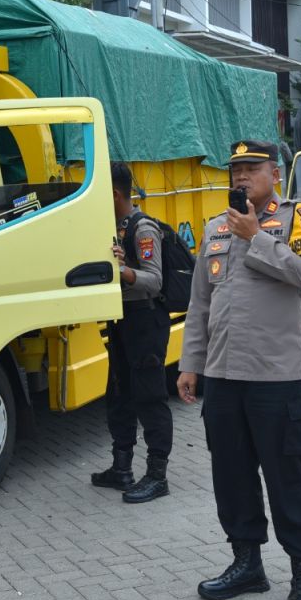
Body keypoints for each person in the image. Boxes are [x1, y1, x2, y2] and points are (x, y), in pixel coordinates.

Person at [176, 140, 301, 600]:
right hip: (223, 376)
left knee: (287, 476)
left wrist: (255, 238)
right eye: (236, 170)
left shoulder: (298, 218)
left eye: (251, 169)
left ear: (274, 175)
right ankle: (247, 564)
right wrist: (190, 363)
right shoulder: (214, 227)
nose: (242, 177)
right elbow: (201, 303)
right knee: (232, 474)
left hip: (275, 377)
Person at [90, 161, 174, 504]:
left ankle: (157, 475)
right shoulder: (115, 227)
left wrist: (122, 269)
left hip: (145, 321)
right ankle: (121, 467)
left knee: (150, 398)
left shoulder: (142, 229)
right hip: (123, 322)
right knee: (119, 396)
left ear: (113, 193)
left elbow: (155, 281)